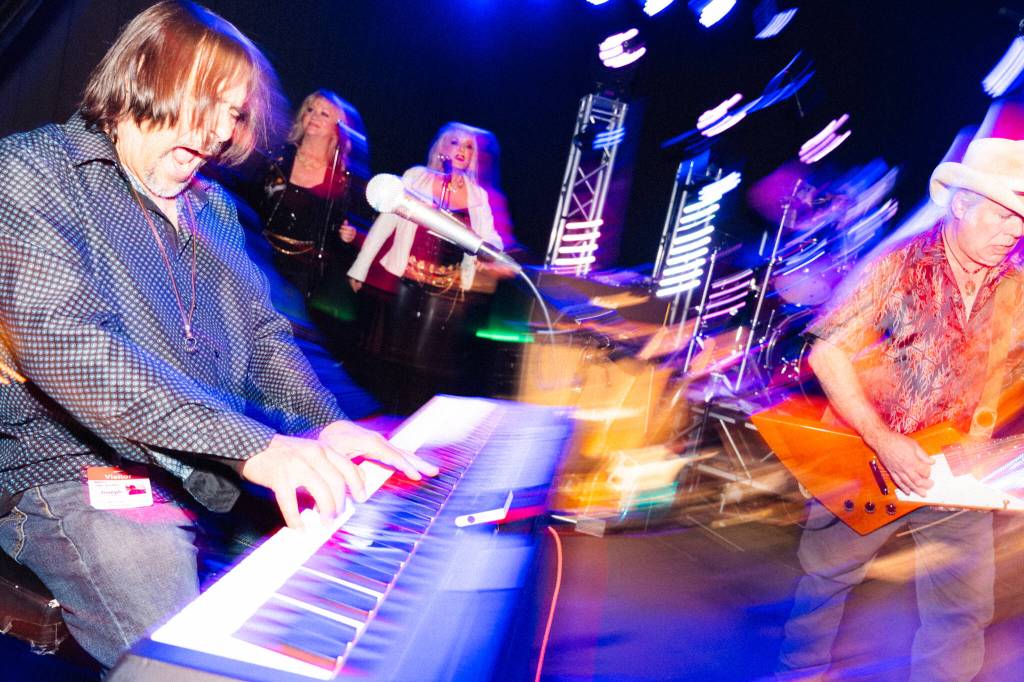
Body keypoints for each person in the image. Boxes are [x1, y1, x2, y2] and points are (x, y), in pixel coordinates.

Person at [0, 1, 435, 669]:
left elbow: (263, 338)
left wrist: (329, 426)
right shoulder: (34, 170)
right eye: (208, 102)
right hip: (73, 473)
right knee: (189, 646)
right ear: (143, 74)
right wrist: (255, 447)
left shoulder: (215, 209)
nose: (219, 131)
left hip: (205, 476)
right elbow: (68, 344)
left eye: (233, 113)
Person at [776, 137, 1024, 680]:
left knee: (962, 612)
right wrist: (881, 438)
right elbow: (829, 352)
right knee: (825, 586)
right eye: (1006, 212)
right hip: (868, 460)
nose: (1016, 230)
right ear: (961, 203)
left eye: (1023, 220)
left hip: (955, 472)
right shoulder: (900, 264)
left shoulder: (1016, 289)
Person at [346, 123, 506, 407]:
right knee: (394, 355)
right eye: (455, 143)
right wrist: (360, 266)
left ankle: (411, 421)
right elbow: (386, 222)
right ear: (442, 147)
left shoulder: (476, 194)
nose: (462, 151)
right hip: (409, 279)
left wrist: (492, 253)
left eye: (469, 147)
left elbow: (490, 235)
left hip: (449, 290)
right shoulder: (416, 177)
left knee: (427, 364)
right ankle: (387, 419)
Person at [261, 89, 368, 301]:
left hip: (303, 269)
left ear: (337, 129)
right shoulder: (279, 157)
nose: (314, 116)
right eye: (310, 109)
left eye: (324, 114)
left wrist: (349, 234)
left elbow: (352, 229)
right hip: (262, 253)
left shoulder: (341, 179)